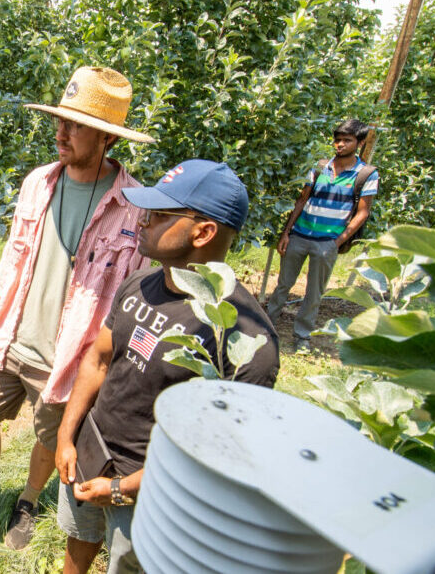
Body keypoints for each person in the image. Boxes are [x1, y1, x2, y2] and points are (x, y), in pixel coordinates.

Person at [0, 66, 153, 551]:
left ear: (104, 136)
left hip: (69, 356)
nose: (60, 133)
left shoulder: (134, 207)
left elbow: (127, 295)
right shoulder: (38, 182)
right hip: (10, 334)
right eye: (59, 121)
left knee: (49, 435)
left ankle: (28, 500)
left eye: (74, 125)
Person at [54, 159, 280, 573]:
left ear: (203, 231)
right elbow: (99, 359)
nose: (143, 221)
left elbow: (214, 455)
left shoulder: (245, 340)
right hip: (91, 455)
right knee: (79, 541)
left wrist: (122, 490)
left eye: (159, 214)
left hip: (152, 492)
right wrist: (67, 435)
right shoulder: (138, 283)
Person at [266, 119, 380, 349]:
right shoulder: (320, 166)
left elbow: (362, 213)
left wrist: (338, 240)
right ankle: (266, 326)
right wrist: (286, 233)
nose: (340, 145)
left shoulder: (366, 174)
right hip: (299, 236)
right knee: (282, 285)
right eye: (337, 140)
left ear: (359, 143)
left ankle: (302, 337)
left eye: (347, 140)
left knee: (314, 292)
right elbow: (302, 200)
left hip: (327, 242)